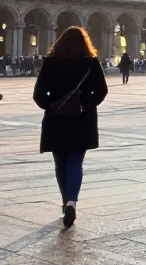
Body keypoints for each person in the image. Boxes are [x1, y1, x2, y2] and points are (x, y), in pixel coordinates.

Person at [32, 27, 108, 228]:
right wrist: (84, 105)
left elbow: (39, 94)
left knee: (60, 162)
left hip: (56, 120)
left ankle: (66, 201)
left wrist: (53, 106)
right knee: (76, 161)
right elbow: (101, 91)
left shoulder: (51, 63)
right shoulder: (91, 63)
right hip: (82, 121)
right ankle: (72, 202)